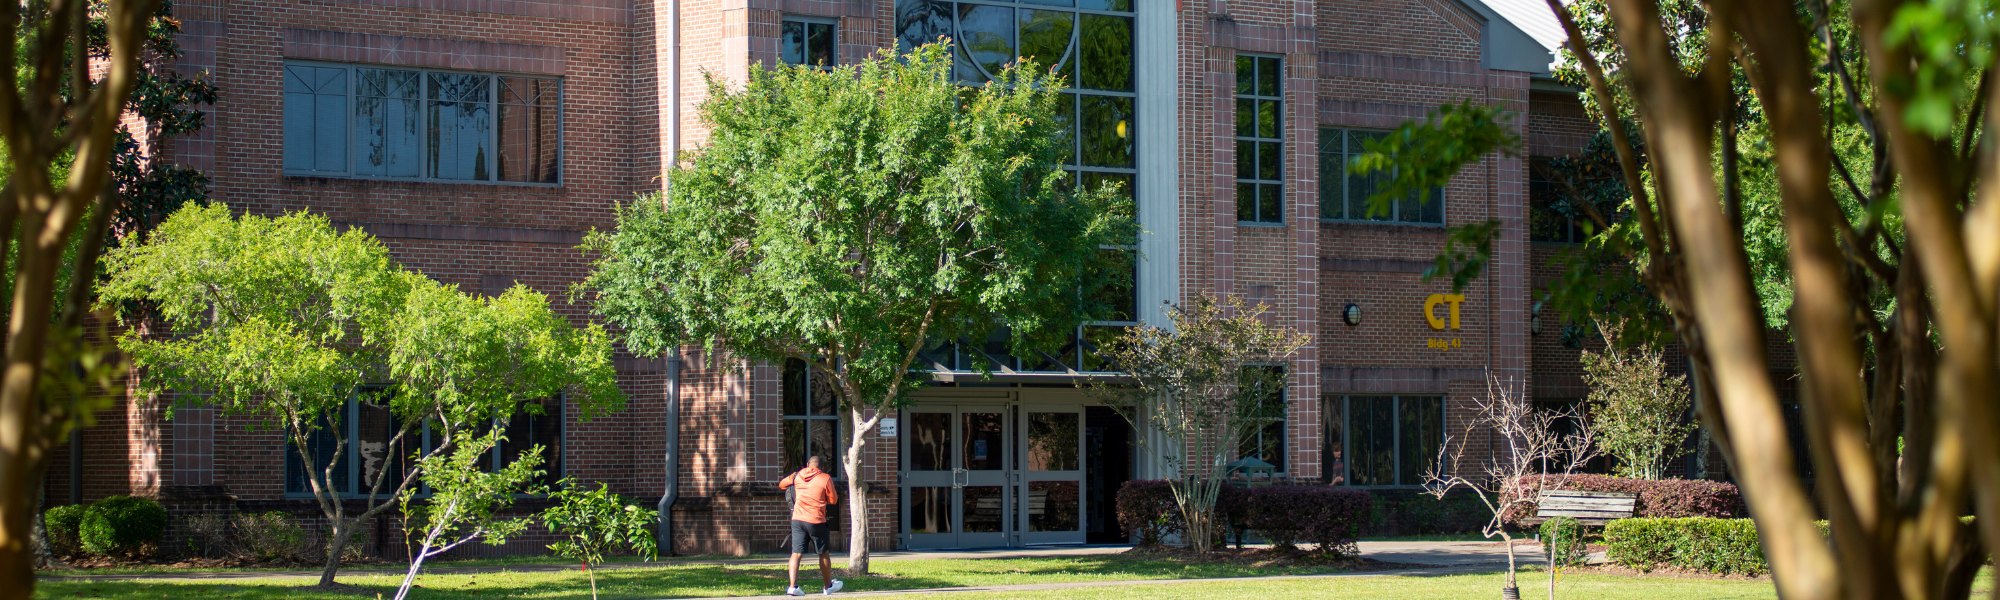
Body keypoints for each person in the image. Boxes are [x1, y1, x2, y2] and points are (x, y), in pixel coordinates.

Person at [779, 455, 842, 596]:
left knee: (796, 553)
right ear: (822, 467)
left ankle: (793, 587)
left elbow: (782, 484)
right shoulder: (825, 478)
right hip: (816, 520)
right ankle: (828, 586)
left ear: (808, 464)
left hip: (797, 519)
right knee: (823, 553)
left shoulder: (797, 475)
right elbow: (833, 500)